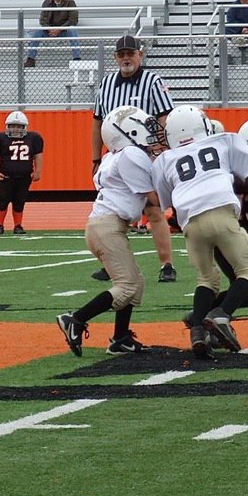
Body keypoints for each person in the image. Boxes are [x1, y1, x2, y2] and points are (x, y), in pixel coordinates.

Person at [153, 105, 248, 357]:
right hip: (220, 209)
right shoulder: (224, 141)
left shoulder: (164, 160)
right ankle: (221, 316)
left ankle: (197, 331)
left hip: (190, 220)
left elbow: (166, 200)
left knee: (207, 279)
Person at [55, 106, 165, 358]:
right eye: (145, 128)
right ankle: (76, 319)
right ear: (127, 131)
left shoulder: (114, 156)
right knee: (127, 286)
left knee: (135, 283)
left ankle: (121, 338)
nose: (151, 135)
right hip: (108, 227)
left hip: (104, 226)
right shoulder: (130, 155)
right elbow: (154, 199)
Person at [91, 34, 177, 282]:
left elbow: (164, 117)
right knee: (112, 209)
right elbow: (97, 122)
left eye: (131, 53)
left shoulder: (152, 81)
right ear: (115, 57)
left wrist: (162, 148)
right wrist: (95, 158)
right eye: (121, 54)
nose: (126, 58)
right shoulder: (106, 84)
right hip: (115, 155)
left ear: (140, 55)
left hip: (145, 153)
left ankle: (167, 264)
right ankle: (111, 264)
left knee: (153, 208)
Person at [0, 110, 44, 235]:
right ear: (7, 126)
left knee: (19, 201)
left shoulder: (33, 138)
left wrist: (38, 171)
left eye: (19, 127)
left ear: (24, 127)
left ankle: (18, 225)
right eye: (13, 126)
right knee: (2, 200)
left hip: (24, 176)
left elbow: (38, 156)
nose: (16, 129)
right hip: (6, 175)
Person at [24, 0, 81, 67]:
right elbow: (42, 20)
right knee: (37, 32)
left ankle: (77, 59)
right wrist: (50, 29)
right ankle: (30, 59)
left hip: (65, 30)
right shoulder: (47, 2)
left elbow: (73, 20)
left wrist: (59, 29)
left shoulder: (70, 2)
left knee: (73, 30)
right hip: (49, 30)